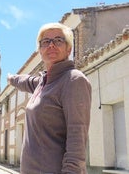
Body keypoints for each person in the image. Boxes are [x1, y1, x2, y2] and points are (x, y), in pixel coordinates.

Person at [7, 22, 91, 174]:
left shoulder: (73, 80)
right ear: (39, 50)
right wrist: (12, 78)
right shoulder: (43, 83)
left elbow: (77, 137)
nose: (51, 45)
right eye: (45, 42)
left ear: (69, 49)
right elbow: (26, 81)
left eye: (58, 40)